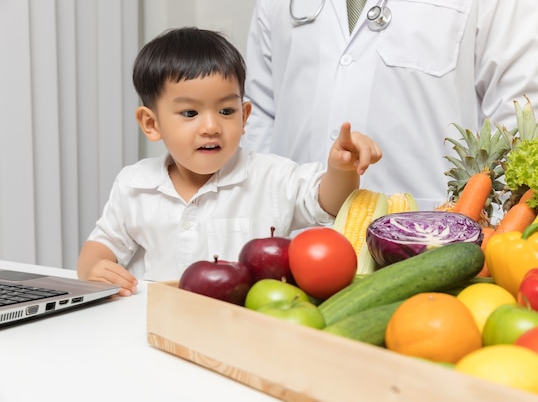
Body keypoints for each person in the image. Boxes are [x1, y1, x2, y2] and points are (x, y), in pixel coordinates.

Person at [76, 27, 381, 296]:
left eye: (226, 111)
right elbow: (102, 245)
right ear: (151, 123)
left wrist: (341, 169)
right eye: (190, 113)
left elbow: (326, 201)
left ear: (245, 116)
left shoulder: (270, 176)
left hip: (243, 328)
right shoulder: (135, 184)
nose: (211, 126)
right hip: (155, 324)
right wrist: (94, 268)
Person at [241, 0, 538, 210]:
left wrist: (498, 230)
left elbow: (520, 109)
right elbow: (259, 114)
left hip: (428, 234)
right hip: (294, 238)